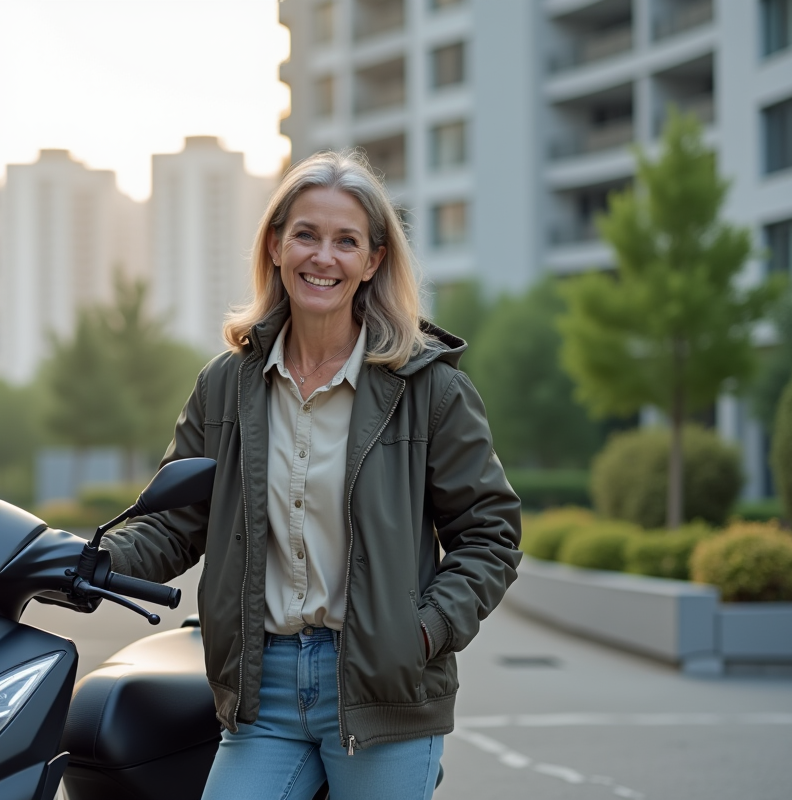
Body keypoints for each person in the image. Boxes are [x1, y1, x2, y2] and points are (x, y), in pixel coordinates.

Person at [99, 151, 521, 800]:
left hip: (382, 690)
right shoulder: (227, 384)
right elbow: (177, 522)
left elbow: (490, 534)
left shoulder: (427, 386)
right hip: (260, 689)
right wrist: (83, 559)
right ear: (274, 245)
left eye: (345, 241)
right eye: (305, 234)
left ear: (373, 261)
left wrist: (423, 631)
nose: (323, 257)